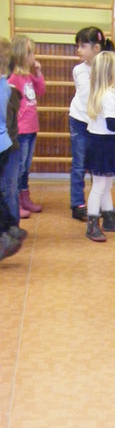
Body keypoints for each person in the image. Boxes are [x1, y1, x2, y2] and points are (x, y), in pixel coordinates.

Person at [84, 51, 115, 242]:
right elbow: (112, 124)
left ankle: (109, 220)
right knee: (99, 187)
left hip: (105, 145)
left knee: (106, 186)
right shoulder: (109, 96)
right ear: (112, 73)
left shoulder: (102, 94)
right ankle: (92, 225)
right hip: (103, 147)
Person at [69, 26, 115, 221]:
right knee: (79, 164)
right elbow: (83, 96)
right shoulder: (78, 70)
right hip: (79, 121)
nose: (78, 50)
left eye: (83, 46)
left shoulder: (106, 69)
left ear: (96, 48)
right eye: (77, 46)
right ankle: (77, 203)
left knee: (97, 165)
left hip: (97, 125)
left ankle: (100, 202)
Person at [8, 35, 46, 215]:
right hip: (21, 130)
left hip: (32, 128)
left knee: (26, 166)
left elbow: (41, 90)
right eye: (31, 54)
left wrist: (38, 74)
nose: (34, 57)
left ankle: (25, 197)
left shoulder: (29, 76)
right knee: (20, 167)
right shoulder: (14, 78)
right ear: (22, 55)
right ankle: (15, 202)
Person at [0, 36, 25, 261]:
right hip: (5, 144)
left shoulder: (5, 90)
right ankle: (9, 227)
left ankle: (5, 234)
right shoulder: (5, 87)